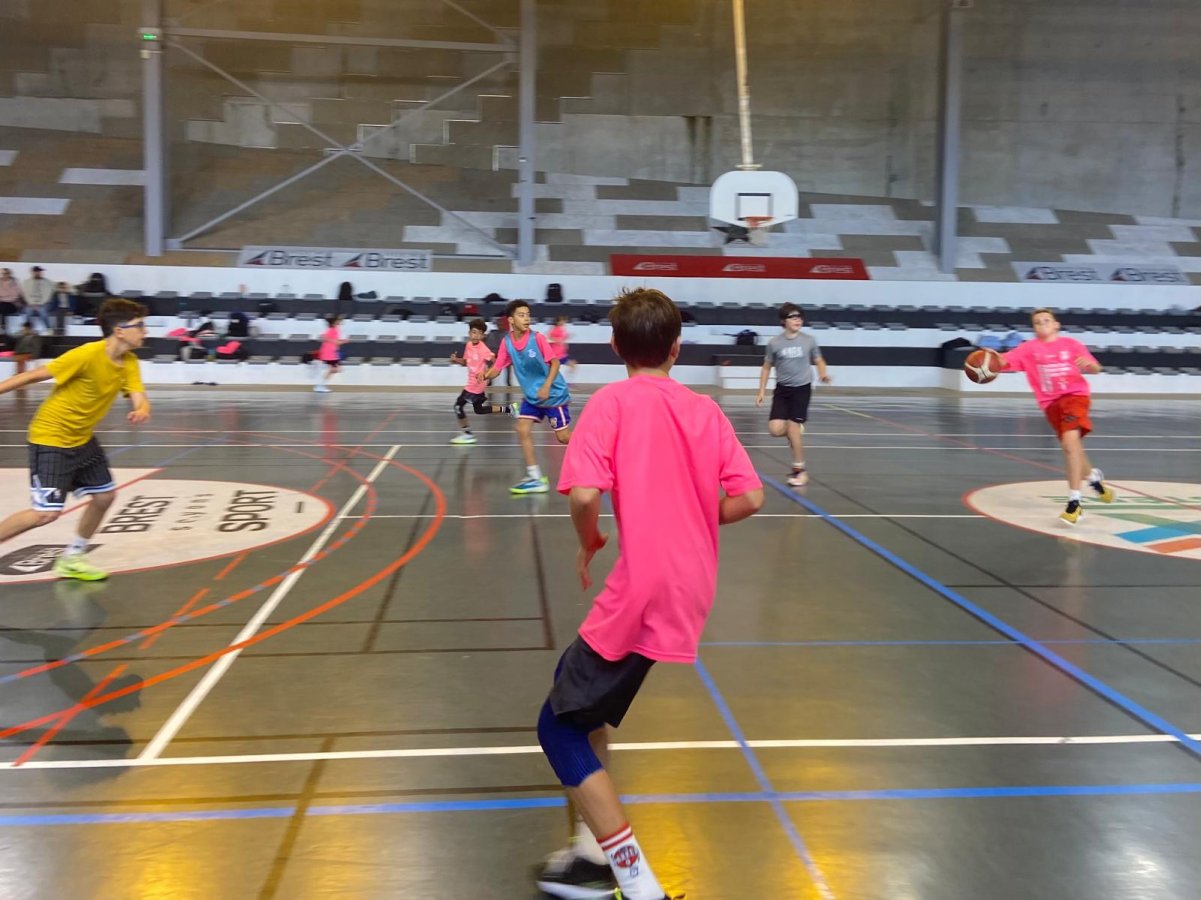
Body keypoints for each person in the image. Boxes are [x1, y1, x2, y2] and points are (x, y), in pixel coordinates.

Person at [535, 287, 764, 900]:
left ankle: (636, 883)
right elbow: (750, 497)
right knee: (577, 699)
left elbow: (586, 494)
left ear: (616, 346)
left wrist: (589, 541)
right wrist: (695, 517)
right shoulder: (705, 409)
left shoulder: (610, 403)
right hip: (691, 583)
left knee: (558, 729)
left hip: (644, 586)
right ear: (676, 348)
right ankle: (592, 853)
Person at [0, 298, 151, 581]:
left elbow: (138, 396)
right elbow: (33, 376)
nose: (146, 331)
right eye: (140, 325)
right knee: (44, 514)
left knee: (104, 496)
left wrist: (141, 409)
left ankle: (73, 558)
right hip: (52, 437)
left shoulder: (129, 362)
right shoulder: (86, 354)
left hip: (82, 439)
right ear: (119, 331)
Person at [999, 307, 1114, 523]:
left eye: (1046, 320)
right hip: (1051, 404)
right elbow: (1002, 362)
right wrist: (984, 359)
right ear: (1034, 328)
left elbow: (1096, 368)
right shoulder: (1028, 349)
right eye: (1037, 322)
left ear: (1056, 325)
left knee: (1069, 445)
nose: (1042, 323)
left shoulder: (1071, 345)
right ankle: (1093, 478)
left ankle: (1074, 504)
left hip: (1075, 397)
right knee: (1074, 447)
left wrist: (1090, 365)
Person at [482, 299, 571, 494]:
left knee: (563, 437)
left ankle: (596, 451)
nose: (527, 319)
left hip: (553, 394)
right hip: (532, 396)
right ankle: (535, 478)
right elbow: (498, 367)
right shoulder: (507, 342)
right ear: (511, 320)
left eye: (528, 315)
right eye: (521, 315)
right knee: (522, 429)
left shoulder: (537, 339)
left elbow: (555, 363)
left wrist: (546, 386)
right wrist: (485, 375)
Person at [755, 303, 830, 486]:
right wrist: (761, 391)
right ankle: (794, 430)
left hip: (801, 389)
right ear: (783, 321)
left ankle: (800, 470)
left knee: (793, 427)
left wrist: (822, 374)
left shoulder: (809, 340)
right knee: (775, 429)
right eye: (793, 317)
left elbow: (819, 360)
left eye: (800, 317)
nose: (798, 320)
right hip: (782, 389)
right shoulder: (774, 343)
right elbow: (766, 367)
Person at [448, 317, 507, 444]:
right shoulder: (469, 345)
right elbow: (466, 362)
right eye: (474, 332)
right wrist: (456, 360)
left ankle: (467, 434)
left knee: (458, 407)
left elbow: (496, 363)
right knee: (479, 410)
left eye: (479, 333)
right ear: (469, 333)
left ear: (482, 336)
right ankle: (509, 409)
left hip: (476, 384)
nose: (476, 335)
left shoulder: (484, 349)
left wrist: (486, 373)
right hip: (472, 382)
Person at [315, 314, 346, 393]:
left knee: (336, 369)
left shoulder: (336, 329)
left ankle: (320, 386)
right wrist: (335, 341)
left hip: (333, 352)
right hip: (329, 353)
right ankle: (320, 386)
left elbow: (336, 342)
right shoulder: (332, 329)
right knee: (335, 369)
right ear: (334, 322)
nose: (340, 321)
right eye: (338, 320)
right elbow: (324, 337)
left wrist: (342, 342)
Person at [22, 265, 54, 333]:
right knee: (27, 311)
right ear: (33, 272)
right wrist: (32, 304)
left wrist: (39, 304)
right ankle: (28, 330)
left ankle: (48, 329)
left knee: (42, 310)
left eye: (40, 272)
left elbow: (47, 295)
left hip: (44, 303)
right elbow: (26, 294)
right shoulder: (26, 282)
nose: (39, 273)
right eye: (37, 272)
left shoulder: (47, 282)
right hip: (31, 303)